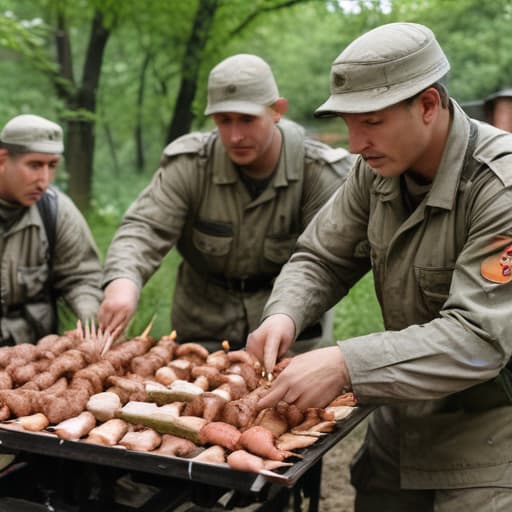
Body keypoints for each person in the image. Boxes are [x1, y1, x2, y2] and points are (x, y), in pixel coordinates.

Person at [246, 22, 512, 512]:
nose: (354, 143)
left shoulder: (500, 188)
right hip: (401, 417)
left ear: (428, 105)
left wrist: (346, 363)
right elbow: (321, 257)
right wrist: (282, 314)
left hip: (490, 438)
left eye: (370, 121)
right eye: (348, 123)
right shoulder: (376, 171)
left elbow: (480, 339)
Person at [98, 53, 352, 351]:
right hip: (203, 329)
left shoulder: (319, 173)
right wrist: (123, 283)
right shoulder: (191, 165)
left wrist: (285, 317)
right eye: (223, 120)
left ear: (277, 110)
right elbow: (146, 228)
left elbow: (322, 261)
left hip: (291, 332)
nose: (235, 136)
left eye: (247, 120)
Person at [0, 114, 103, 345]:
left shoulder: (57, 211)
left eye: (52, 165)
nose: (44, 180)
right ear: (3, 159)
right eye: (34, 165)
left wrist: (90, 321)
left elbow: (82, 278)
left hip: (36, 358)